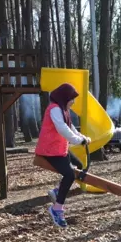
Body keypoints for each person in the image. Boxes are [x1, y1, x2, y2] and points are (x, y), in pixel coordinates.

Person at [35, 83, 91, 228]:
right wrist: (77, 140)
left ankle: (57, 191)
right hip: (49, 150)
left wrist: (82, 137)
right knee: (70, 175)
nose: (73, 102)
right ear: (64, 98)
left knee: (78, 165)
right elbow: (62, 128)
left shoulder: (63, 110)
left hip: (60, 149)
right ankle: (56, 209)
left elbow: (71, 128)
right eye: (72, 99)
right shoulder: (54, 109)